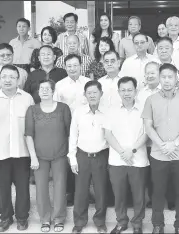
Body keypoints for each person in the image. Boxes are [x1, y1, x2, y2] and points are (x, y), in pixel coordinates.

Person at [0, 65, 34, 232]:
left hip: (22, 153)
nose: (8, 80)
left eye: (12, 77)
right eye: (4, 76)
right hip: (0, 153)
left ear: (18, 80)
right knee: (2, 188)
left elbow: (32, 128)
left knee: (23, 188)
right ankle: (5, 218)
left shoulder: (27, 98)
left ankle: (22, 218)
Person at [142, 63, 179, 234]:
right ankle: (158, 225)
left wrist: (175, 143)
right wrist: (162, 144)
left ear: (176, 78)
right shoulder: (151, 100)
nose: (166, 80)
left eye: (170, 77)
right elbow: (148, 127)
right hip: (159, 155)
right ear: (159, 78)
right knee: (157, 192)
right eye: (163, 76)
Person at [25, 79, 71, 233]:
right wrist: (32, 157)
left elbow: (69, 132)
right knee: (41, 189)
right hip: (39, 156)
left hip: (60, 154)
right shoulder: (32, 110)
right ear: (38, 92)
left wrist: (71, 154)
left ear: (53, 91)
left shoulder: (63, 108)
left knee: (60, 187)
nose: (44, 91)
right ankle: (45, 219)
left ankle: (58, 218)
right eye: (41, 88)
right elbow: (29, 135)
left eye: (47, 88)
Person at [104, 76, 149, 234]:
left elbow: (146, 133)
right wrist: (123, 152)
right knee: (119, 195)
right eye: (123, 90)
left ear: (136, 91)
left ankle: (137, 223)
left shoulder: (144, 109)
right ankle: (121, 222)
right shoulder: (111, 110)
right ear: (118, 92)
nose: (126, 93)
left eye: (130, 90)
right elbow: (108, 135)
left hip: (138, 159)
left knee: (138, 195)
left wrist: (132, 150)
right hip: (117, 160)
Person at [69, 81, 109, 234]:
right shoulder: (78, 112)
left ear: (101, 93)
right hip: (82, 156)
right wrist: (72, 158)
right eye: (89, 93)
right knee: (80, 191)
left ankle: (100, 222)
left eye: (95, 92)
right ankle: (79, 222)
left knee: (101, 191)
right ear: (85, 95)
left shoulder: (108, 112)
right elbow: (73, 136)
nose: (92, 95)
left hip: (101, 156)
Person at [53, 54, 90, 206]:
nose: (72, 68)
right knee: (69, 159)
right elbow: (55, 106)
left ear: (80, 66)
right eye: (69, 66)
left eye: (75, 65)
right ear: (65, 67)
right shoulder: (60, 85)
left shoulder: (88, 83)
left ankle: (85, 193)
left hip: (86, 126)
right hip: (66, 127)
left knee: (83, 160)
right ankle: (70, 193)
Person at [136, 61, 161, 209]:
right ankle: (152, 198)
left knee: (161, 171)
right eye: (148, 73)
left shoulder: (164, 90)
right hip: (145, 140)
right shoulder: (141, 92)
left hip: (161, 139)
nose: (150, 75)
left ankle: (169, 199)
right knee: (149, 172)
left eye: (153, 72)